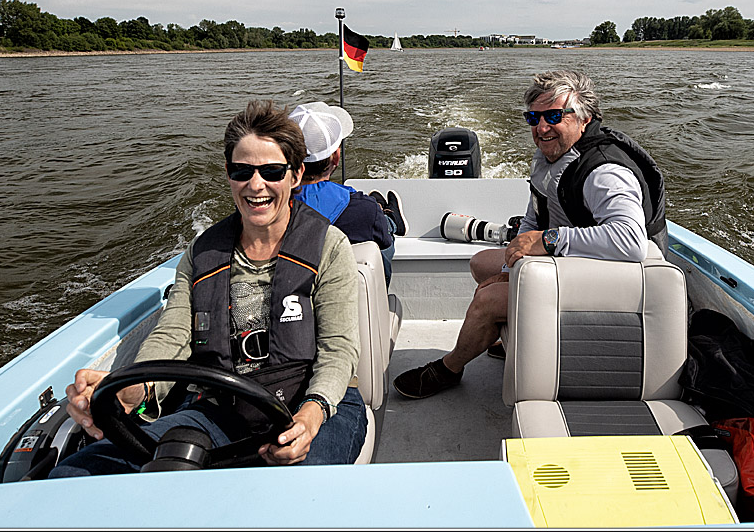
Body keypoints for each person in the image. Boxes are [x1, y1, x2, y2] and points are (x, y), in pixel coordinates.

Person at [51, 100, 367, 475]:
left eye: (271, 171)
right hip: (219, 411)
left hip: (315, 405)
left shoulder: (329, 246)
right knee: (76, 474)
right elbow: (173, 337)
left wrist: (311, 415)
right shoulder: (202, 254)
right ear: (229, 174)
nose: (255, 185)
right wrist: (132, 389)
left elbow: (338, 349)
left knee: (296, 503)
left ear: (295, 175)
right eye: (241, 171)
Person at [392, 70, 667, 399]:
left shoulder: (604, 172)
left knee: (487, 300)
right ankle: (509, 336)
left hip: (619, 278)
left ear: (585, 119)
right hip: (577, 262)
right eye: (533, 118)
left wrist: (548, 241)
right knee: (483, 264)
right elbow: (534, 217)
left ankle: (450, 368)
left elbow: (631, 242)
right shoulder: (552, 156)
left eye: (554, 116)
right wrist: (512, 266)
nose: (541, 128)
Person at [287, 101, 407, 285]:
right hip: (357, 306)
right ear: (336, 157)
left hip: (292, 304)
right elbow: (383, 243)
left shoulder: (265, 210)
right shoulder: (362, 209)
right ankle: (391, 219)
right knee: (383, 239)